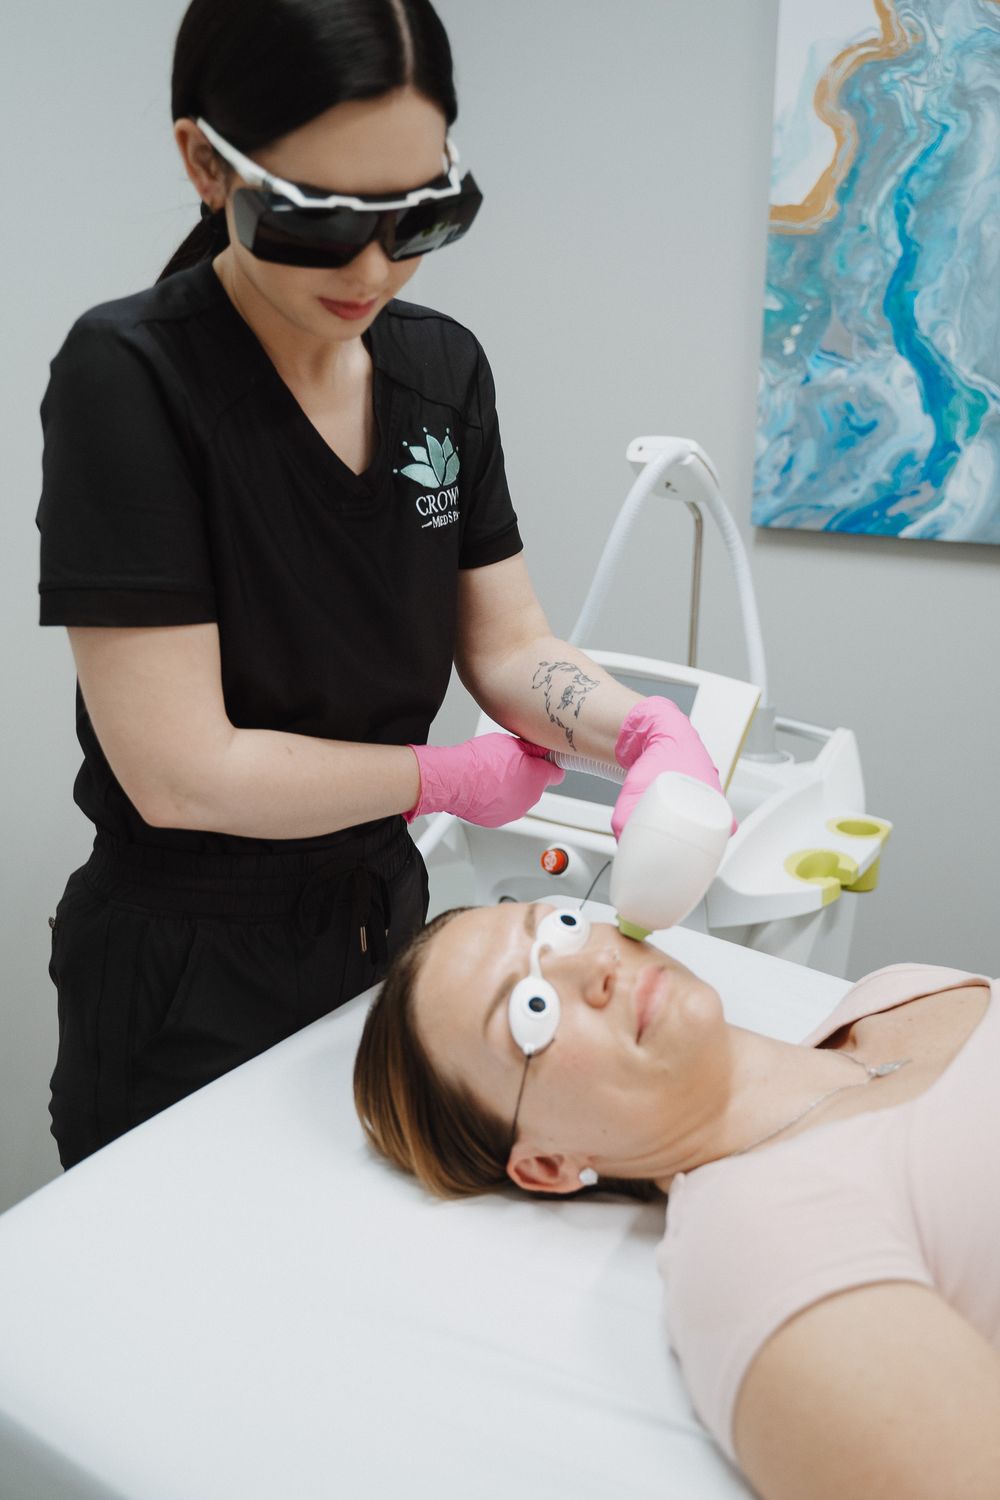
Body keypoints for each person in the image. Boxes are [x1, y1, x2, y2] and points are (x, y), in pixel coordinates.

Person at [37, 0, 725, 1171]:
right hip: (188, 960)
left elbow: (506, 647)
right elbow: (179, 775)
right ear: (206, 164)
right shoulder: (131, 378)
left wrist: (644, 734)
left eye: (421, 217)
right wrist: (442, 775)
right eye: (318, 223)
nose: (373, 269)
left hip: (378, 923)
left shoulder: (439, 368)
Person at [353, 901, 1000, 1498]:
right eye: (531, 1009)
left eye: (558, 930)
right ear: (549, 1165)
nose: (591, 966)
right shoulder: (759, 1243)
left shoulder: (902, 992)